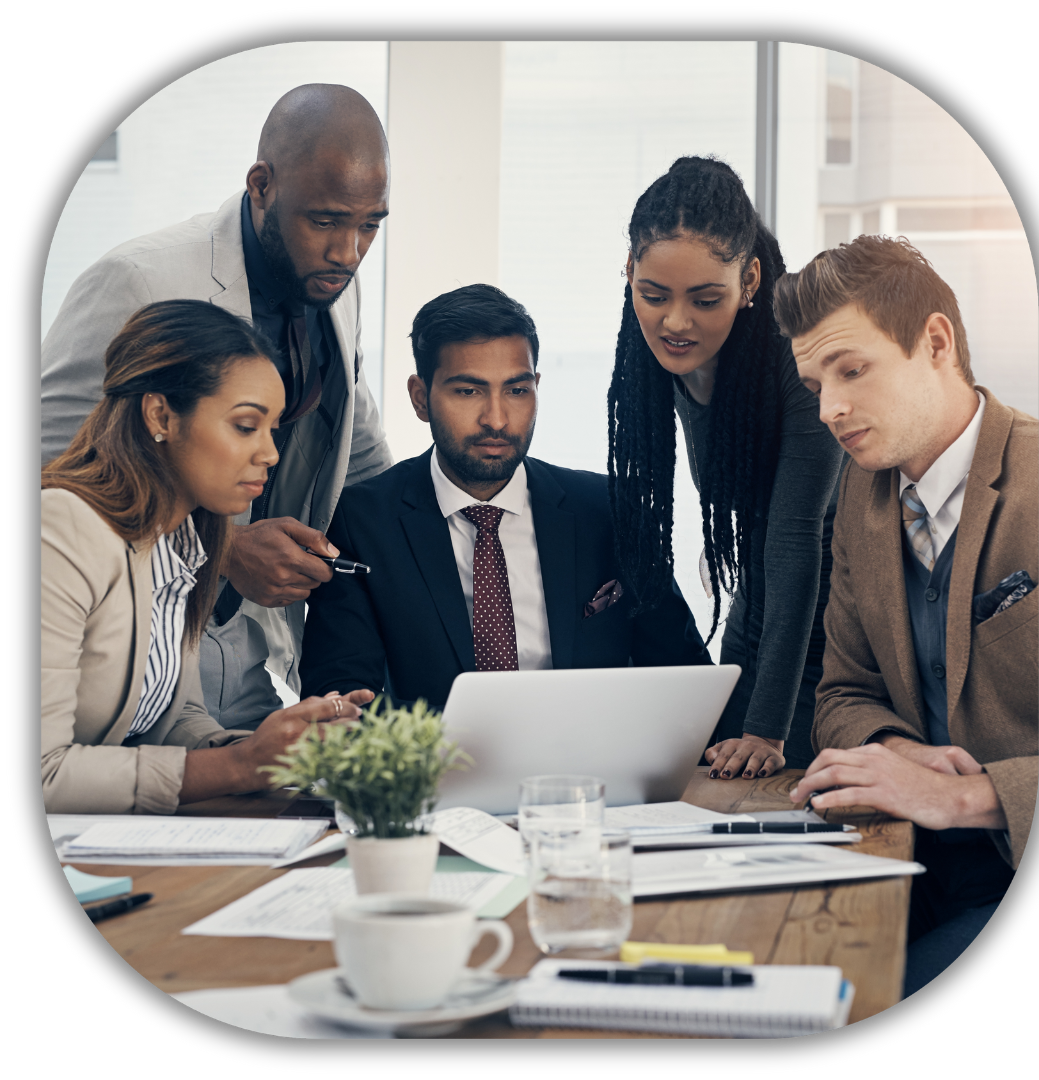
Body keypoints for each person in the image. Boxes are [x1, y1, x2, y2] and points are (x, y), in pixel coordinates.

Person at [41, 84, 394, 730]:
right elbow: (54, 476)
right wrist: (223, 550)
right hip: (126, 666)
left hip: (251, 657)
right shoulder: (137, 282)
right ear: (261, 185)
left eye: (370, 225)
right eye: (325, 221)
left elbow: (357, 441)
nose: (349, 252)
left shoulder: (337, 286)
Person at [776, 236, 1038, 997]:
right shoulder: (864, 496)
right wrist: (896, 751)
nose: (829, 409)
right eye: (815, 384)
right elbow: (841, 692)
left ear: (934, 343)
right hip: (905, 863)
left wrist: (971, 794)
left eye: (851, 371)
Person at [300, 284, 711, 710]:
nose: (496, 419)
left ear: (536, 387)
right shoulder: (362, 521)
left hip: (589, 768)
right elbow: (338, 701)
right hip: (441, 768)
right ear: (421, 398)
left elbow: (686, 677)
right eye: (468, 391)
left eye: (516, 391)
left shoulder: (609, 508)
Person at [41, 301, 372, 814]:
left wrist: (279, 750)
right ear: (160, 416)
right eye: (245, 426)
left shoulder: (183, 540)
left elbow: (170, 720)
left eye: (273, 429)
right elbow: (47, 773)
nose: (271, 454)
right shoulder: (60, 530)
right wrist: (239, 768)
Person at [608, 156, 845, 776]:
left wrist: (766, 731)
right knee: (708, 775)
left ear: (750, 283)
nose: (676, 322)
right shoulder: (657, 358)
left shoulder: (797, 362)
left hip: (846, 625)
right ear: (629, 270)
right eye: (653, 295)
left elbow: (796, 543)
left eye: (705, 299)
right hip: (762, 606)